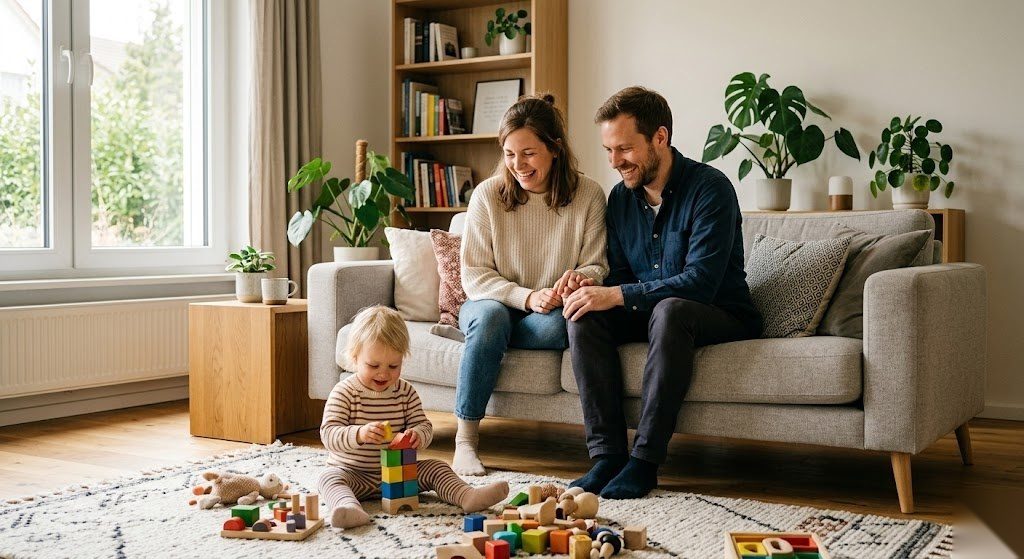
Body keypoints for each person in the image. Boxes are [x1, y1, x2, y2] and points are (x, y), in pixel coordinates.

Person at [562, 86, 763, 499]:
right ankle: (607, 457)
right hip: (654, 312)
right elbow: (619, 275)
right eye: (609, 150)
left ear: (659, 137)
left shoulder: (711, 189)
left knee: (671, 309)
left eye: (625, 148)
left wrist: (617, 294)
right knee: (586, 312)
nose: (616, 162)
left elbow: (701, 282)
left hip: (718, 312)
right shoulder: (619, 200)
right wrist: (591, 287)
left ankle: (645, 462)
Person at [453, 94, 609, 476]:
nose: (518, 165)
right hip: (490, 303)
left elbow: (597, 264)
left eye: (528, 153)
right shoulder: (488, 195)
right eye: (509, 154)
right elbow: (474, 275)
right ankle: (465, 442)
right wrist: (525, 297)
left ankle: (491, 343)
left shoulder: (588, 195)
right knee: (491, 320)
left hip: (547, 314)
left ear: (554, 149)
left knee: (565, 324)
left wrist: (579, 278)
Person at [318, 305, 509, 528]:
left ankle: (467, 496)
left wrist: (418, 435)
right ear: (354, 357)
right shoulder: (344, 392)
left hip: (401, 475)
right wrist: (358, 434)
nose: (383, 373)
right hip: (354, 474)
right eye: (373, 365)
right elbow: (329, 433)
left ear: (403, 359)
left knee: (437, 467)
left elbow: (424, 425)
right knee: (328, 478)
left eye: (393, 366)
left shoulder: (405, 392)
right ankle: (349, 508)